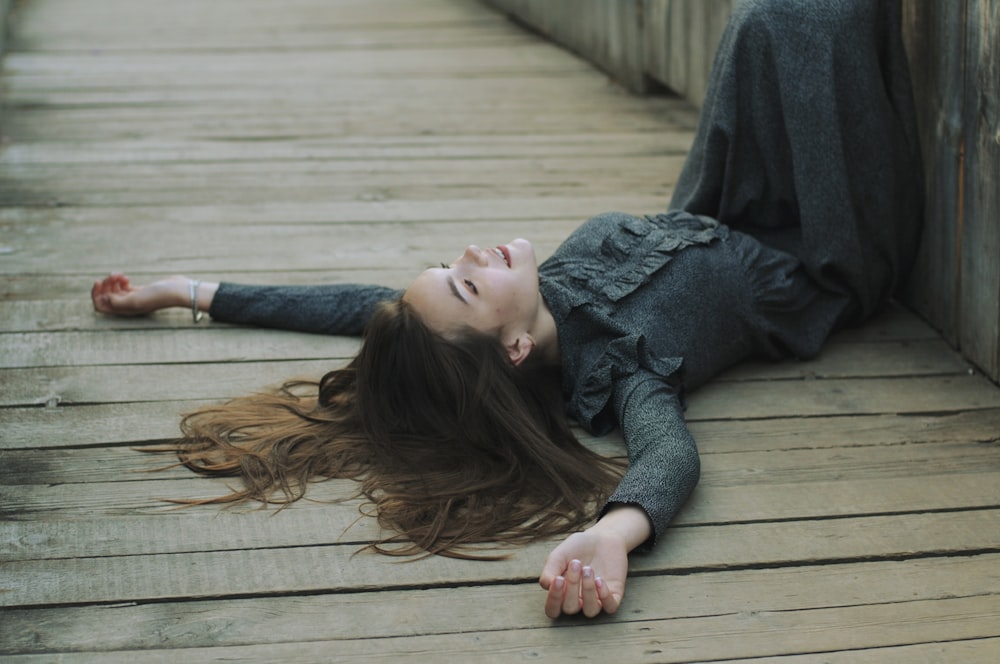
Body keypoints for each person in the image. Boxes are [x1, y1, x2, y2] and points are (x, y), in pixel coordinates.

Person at [90, 0, 923, 620]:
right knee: (804, 15)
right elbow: (670, 455)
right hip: (828, 246)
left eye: (446, 265)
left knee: (754, 22)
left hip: (732, 189)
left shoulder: (500, 325)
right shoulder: (622, 369)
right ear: (517, 349)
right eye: (463, 284)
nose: (470, 256)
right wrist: (614, 535)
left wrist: (186, 293)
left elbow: (353, 306)